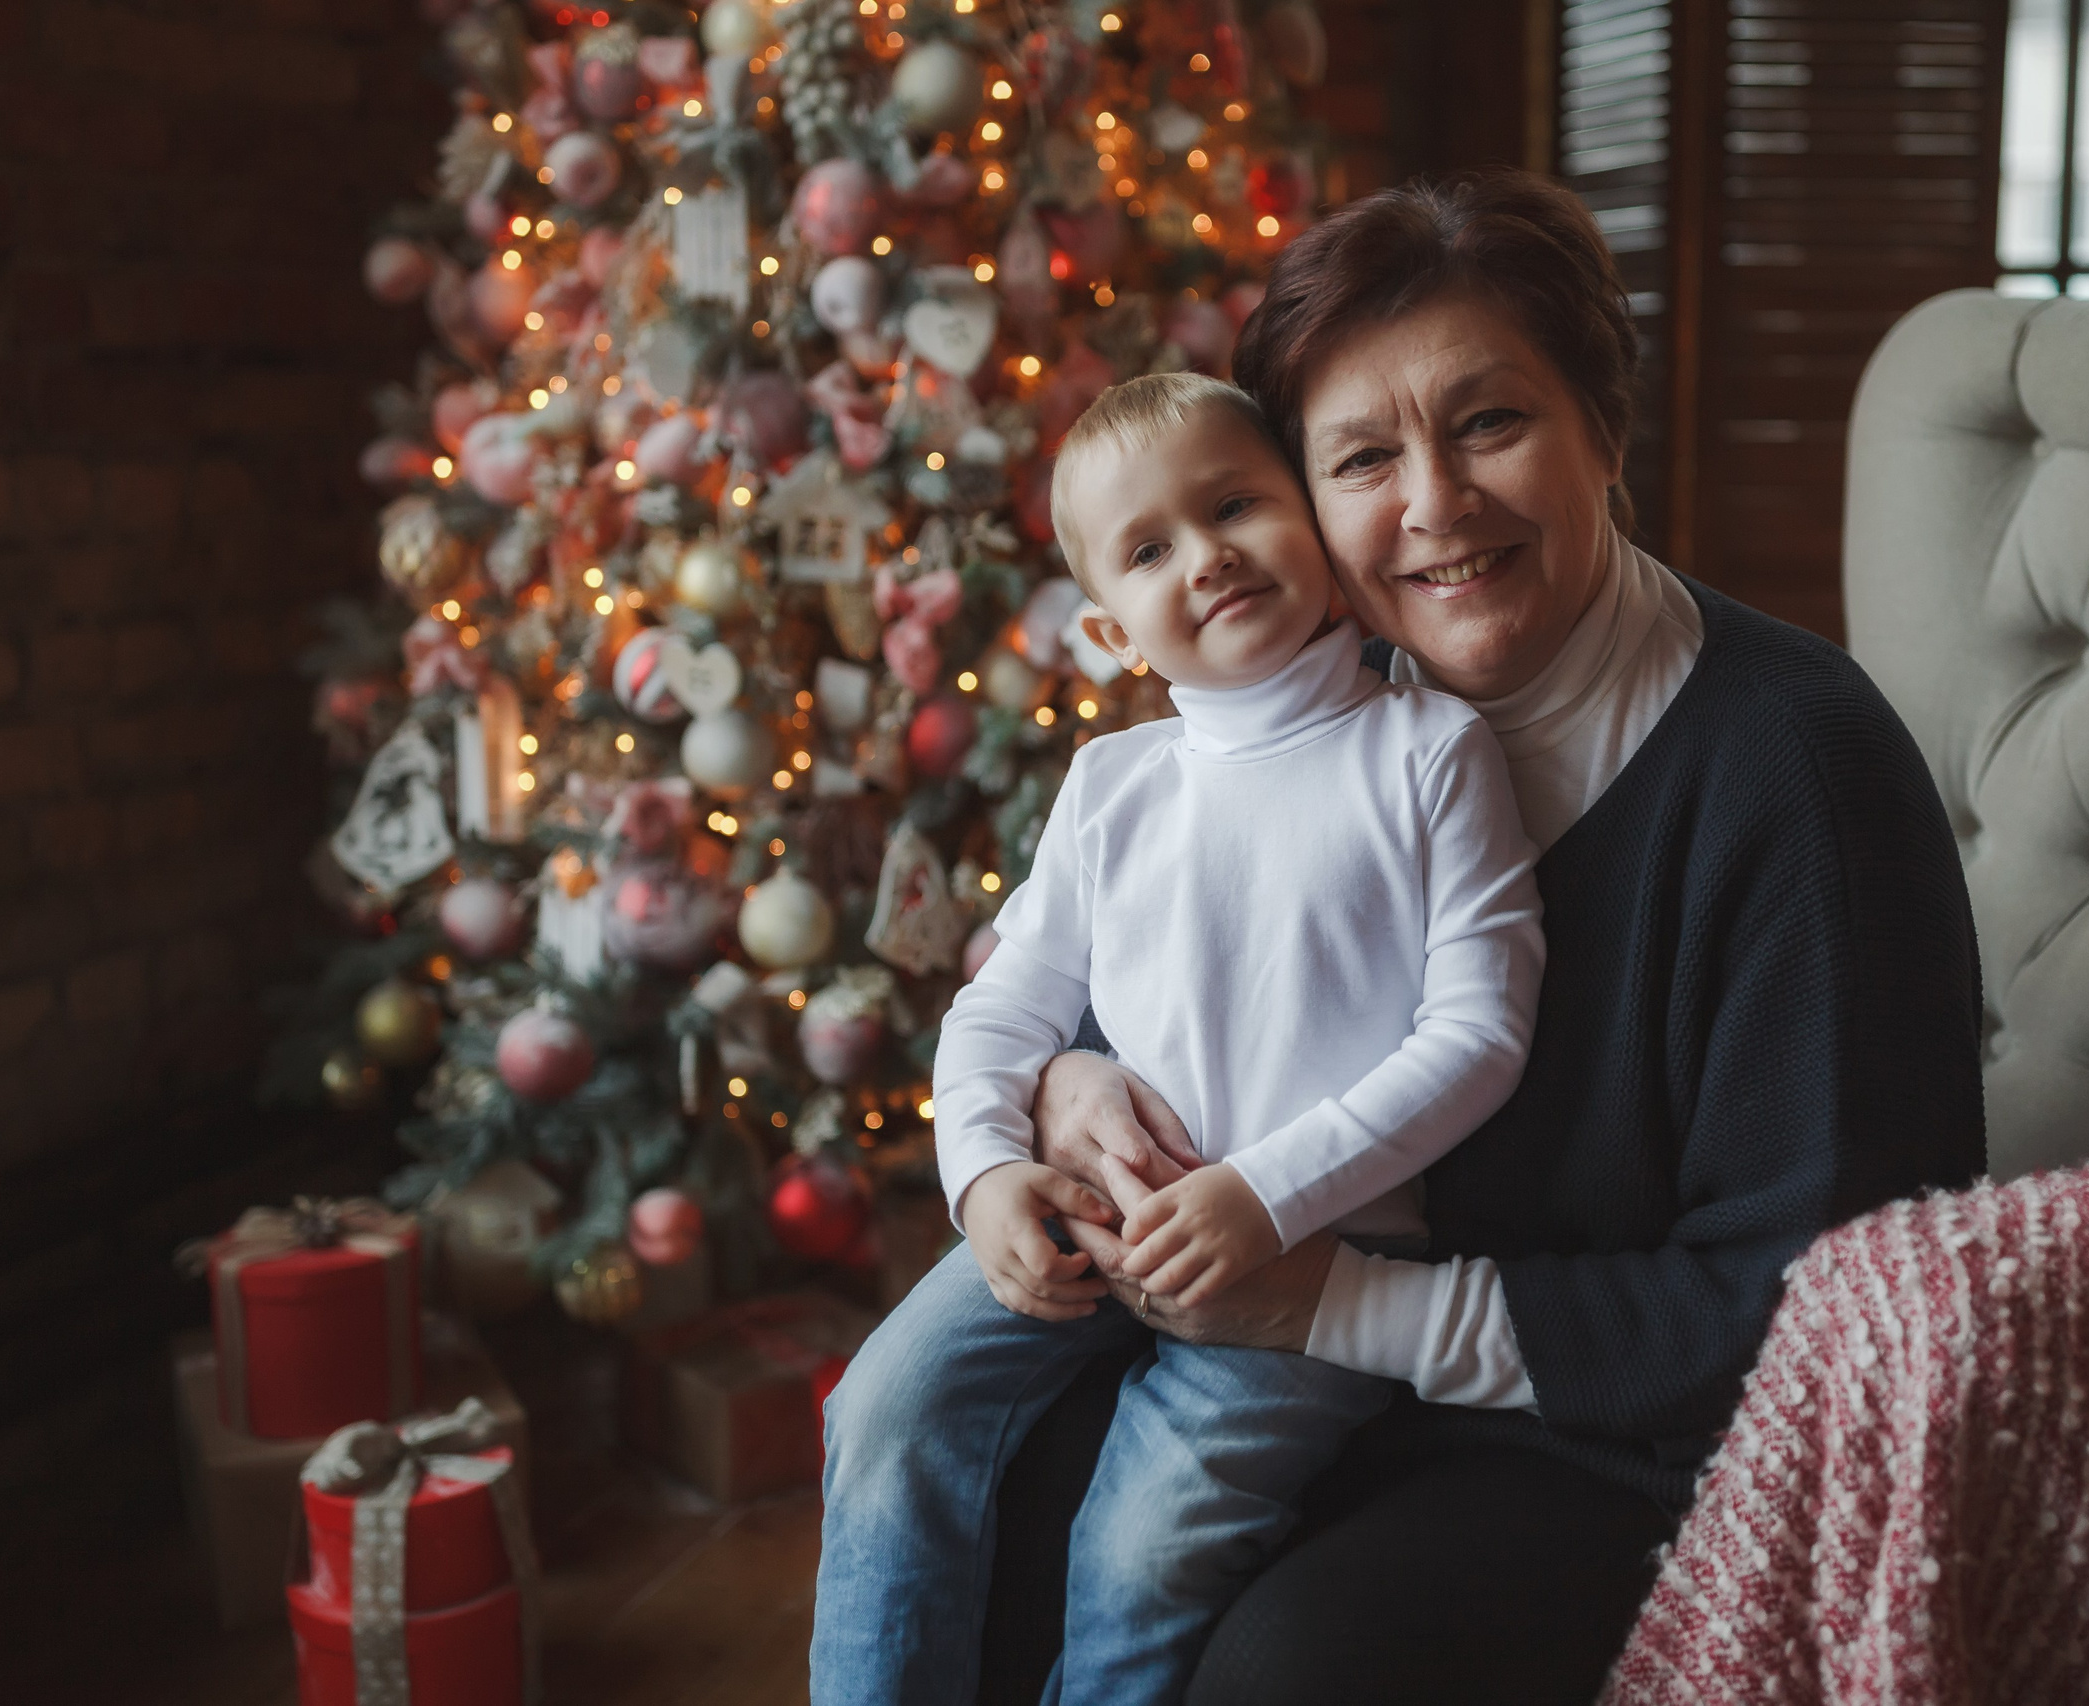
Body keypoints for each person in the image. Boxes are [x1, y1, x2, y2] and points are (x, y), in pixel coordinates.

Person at [981, 171, 1988, 1705]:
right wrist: (1066, 1074)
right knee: (1003, 1497)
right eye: (1362, 458)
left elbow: (1808, 1314)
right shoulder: (1306, 728)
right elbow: (1183, 987)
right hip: (1313, 1368)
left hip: (1633, 1441)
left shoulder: (1795, 768)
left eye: (1492, 423)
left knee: (1290, 1673)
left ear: (1603, 426)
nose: (1434, 505)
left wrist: (1333, 1302)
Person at [811, 370, 1546, 1706]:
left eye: (1235, 506)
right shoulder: (1113, 785)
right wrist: (983, 1175)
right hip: (1097, 1217)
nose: (1204, 556)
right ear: (1110, 623)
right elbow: (1003, 1006)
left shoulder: (1428, 751)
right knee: (884, 1406)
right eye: (1151, 549)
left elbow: (1481, 1031)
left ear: (1315, 527)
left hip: (1311, 1261)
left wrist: (1264, 1198)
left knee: (1142, 1549)